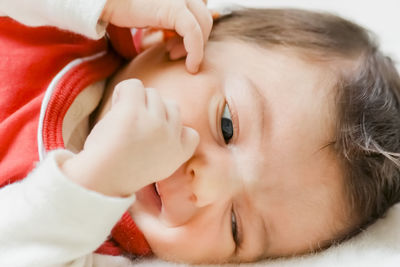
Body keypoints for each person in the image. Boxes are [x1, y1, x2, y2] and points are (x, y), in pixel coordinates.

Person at [1, 1, 400, 267]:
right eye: (227, 127)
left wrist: (93, 183)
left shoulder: (83, 245)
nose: (205, 188)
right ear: (182, 38)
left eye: (235, 227)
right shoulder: (76, 26)